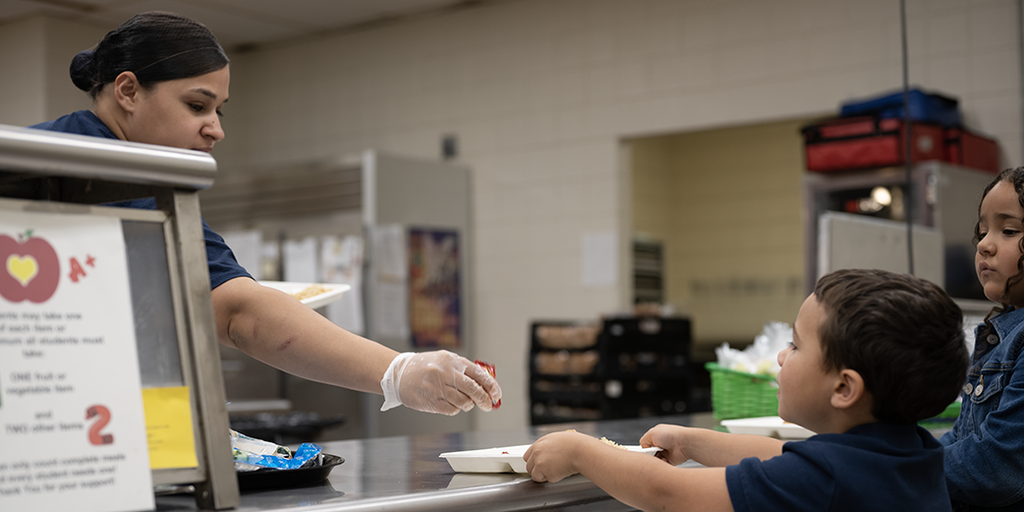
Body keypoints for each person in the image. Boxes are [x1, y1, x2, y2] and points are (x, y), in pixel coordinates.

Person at [30, 11, 501, 417]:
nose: (214, 129)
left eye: (219, 110)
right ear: (128, 91)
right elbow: (243, 315)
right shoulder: (90, 167)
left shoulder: (149, 189)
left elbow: (230, 303)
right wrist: (397, 372)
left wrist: (400, 371)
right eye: (196, 105)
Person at [525, 268, 968, 512]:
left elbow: (666, 494)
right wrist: (692, 440)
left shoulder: (827, 479)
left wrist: (578, 450)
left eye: (795, 345)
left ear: (844, 387)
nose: (780, 356)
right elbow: (780, 457)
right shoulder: (913, 450)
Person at [940, 166, 1024, 511]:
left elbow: (996, 467)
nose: (985, 245)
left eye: (1008, 230)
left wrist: (900, 469)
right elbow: (964, 438)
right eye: (982, 231)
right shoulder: (999, 334)